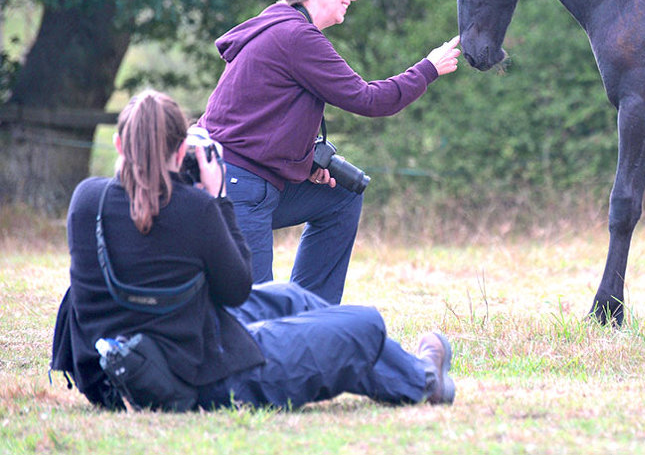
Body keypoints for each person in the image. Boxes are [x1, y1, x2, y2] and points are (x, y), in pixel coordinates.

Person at [51, 89, 455, 410]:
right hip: (196, 377)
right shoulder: (197, 208)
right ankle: (422, 380)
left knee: (292, 297)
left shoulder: (87, 199)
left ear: (120, 144)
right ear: (180, 152)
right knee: (363, 325)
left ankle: (406, 372)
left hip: (114, 373)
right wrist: (220, 198)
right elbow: (237, 290)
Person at [200, 0, 460, 304]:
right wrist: (427, 69)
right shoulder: (294, 36)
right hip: (238, 186)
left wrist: (304, 164)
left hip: (240, 179)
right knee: (254, 317)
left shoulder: (280, 30)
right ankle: (291, 332)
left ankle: (312, 315)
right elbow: (369, 100)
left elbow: (259, 121)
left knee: (340, 196)